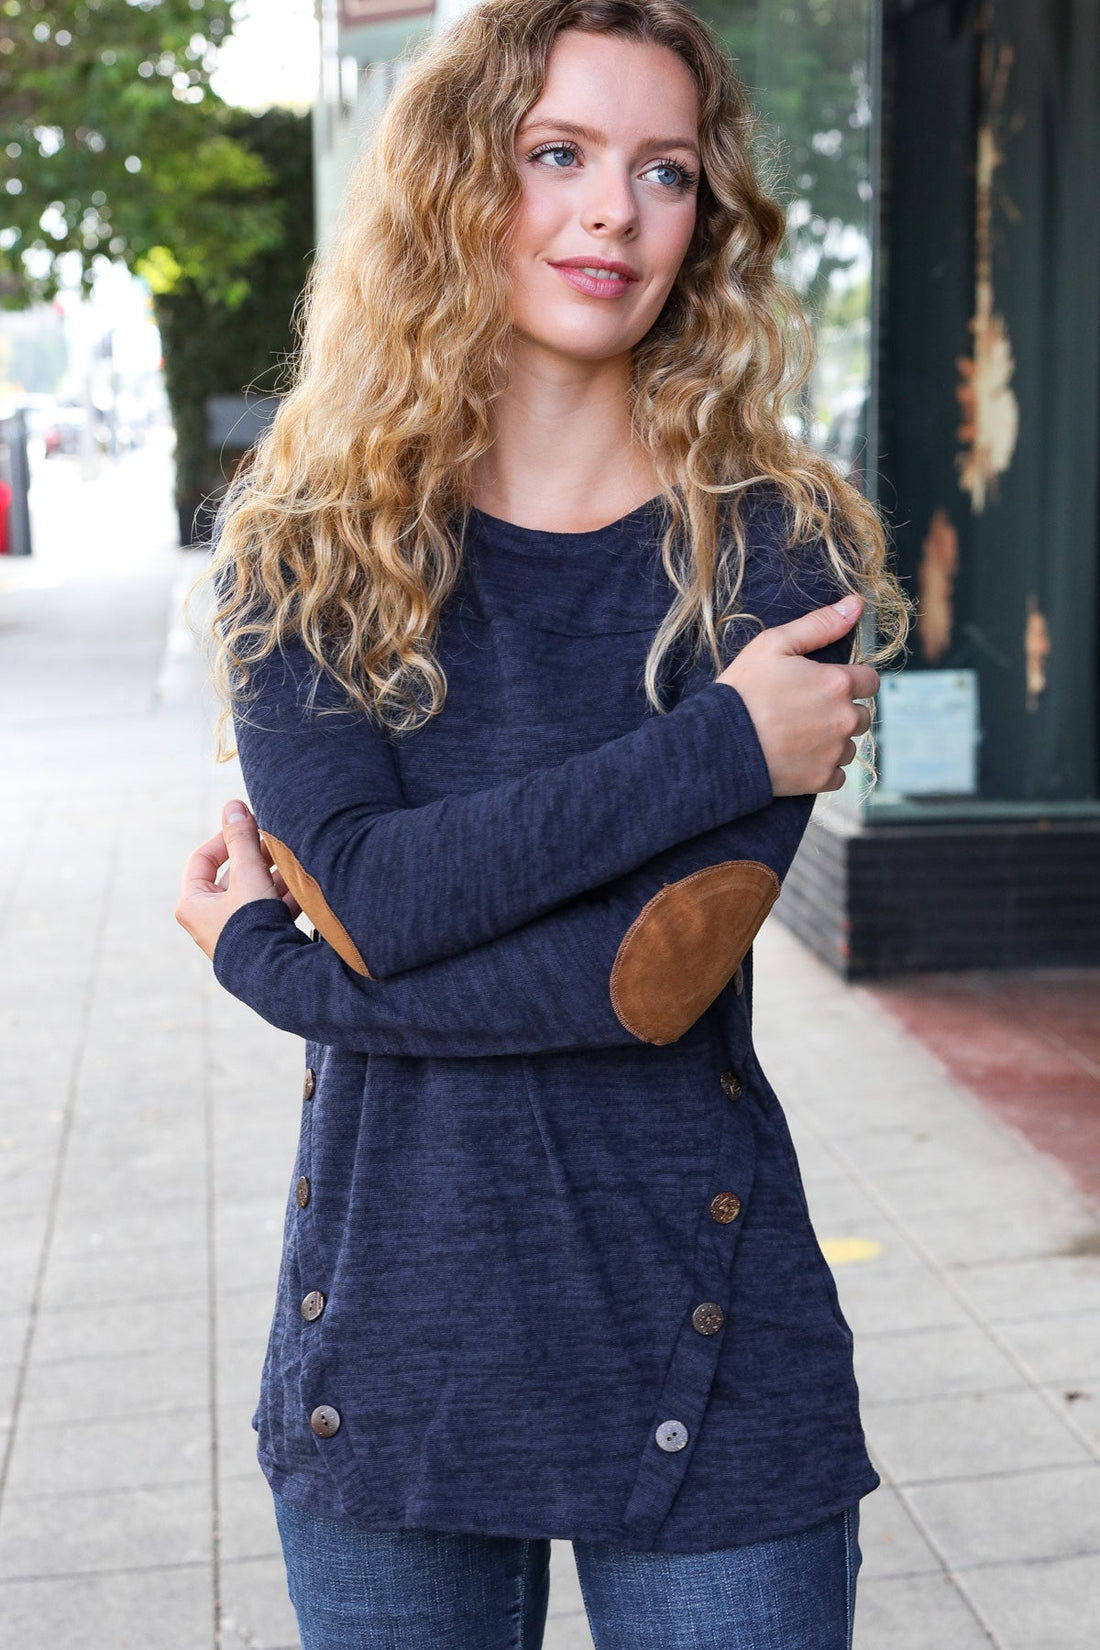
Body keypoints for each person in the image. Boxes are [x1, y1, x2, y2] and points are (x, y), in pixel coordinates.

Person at [176, 1, 908, 1644]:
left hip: (706, 1353)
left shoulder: (775, 561)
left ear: (703, 219)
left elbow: (645, 986)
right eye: (557, 154)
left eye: (665, 171)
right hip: (391, 1353)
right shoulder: (305, 549)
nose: (612, 212)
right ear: (456, 181)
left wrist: (274, 960)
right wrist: (723, 743)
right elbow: (369, 887)